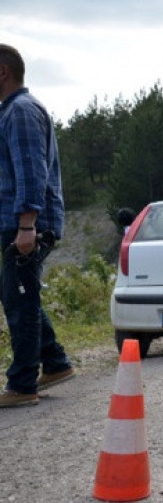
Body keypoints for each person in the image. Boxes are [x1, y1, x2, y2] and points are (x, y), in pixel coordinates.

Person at [0, 44, 74, 408]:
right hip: (20, 223)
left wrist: (26, 225)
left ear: (3, 72)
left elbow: (32, 171)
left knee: (20, 302)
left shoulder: (21, 112)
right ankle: (55, 362)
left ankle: (22, 385)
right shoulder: (11, 112)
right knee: (17, 294)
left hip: (28, 224)